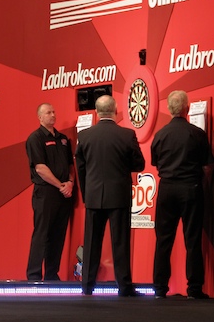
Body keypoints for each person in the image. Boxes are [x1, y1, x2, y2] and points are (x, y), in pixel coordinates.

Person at [75, 95, 145, 296]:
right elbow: (139, 164)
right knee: (120, 243)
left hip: (94, 195)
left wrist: (87, 193)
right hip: (119, 196)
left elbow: (81, 167)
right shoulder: (126, 134)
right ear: (115, 110)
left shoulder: (85, 136)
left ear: (97, 112)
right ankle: (124, 287)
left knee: (91, 243)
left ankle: (87, 286)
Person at [151, 90, 214, 300]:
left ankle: (160, 288)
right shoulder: (197, 134)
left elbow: (156, 163)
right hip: (190, 188)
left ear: (169, 109)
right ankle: (194, 289)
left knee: (163, 240)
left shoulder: (160, 135)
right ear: (187, 108)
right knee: (193, 239)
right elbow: (207, 165)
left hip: (167, 189)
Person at [25, 103, 74, 281]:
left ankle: (52, 274)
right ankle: (34, 275)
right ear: (40, 117)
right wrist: (60, 186)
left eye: (54, 112)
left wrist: (70, 182)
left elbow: (70, 165)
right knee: (42, 233)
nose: (52, 115)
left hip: (64, 194)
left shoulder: (63, 139)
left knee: (58, 234)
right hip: (45, 193)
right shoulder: (35, 139)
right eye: (48, 113)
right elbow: (40, 169)